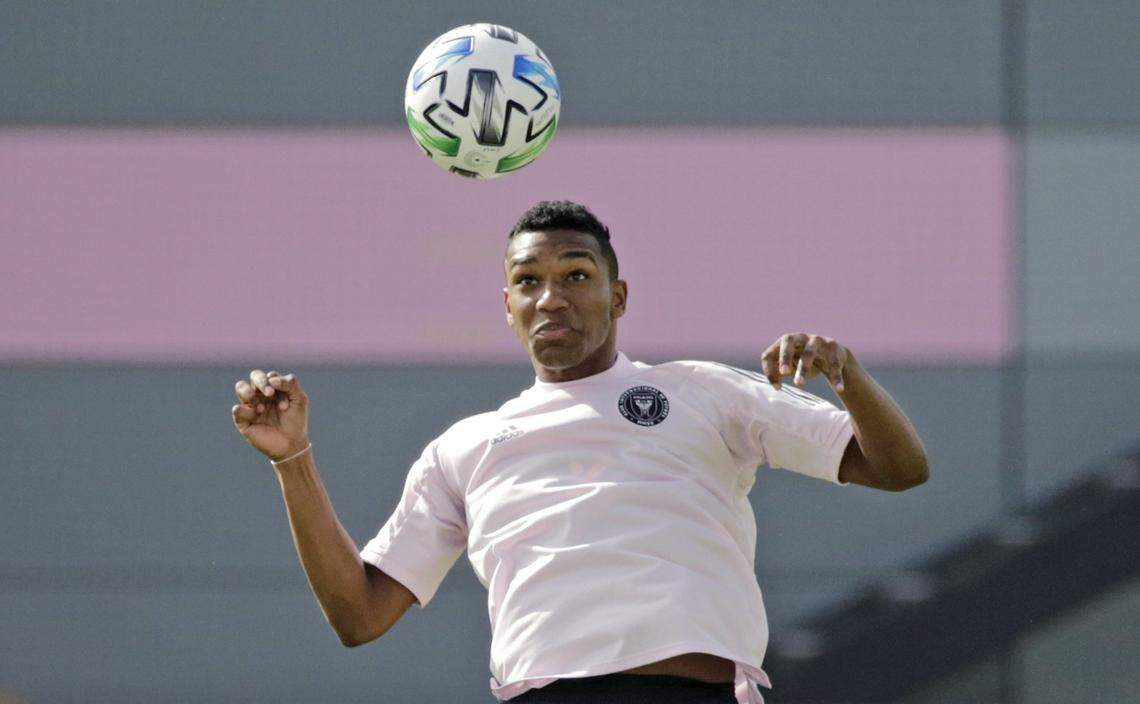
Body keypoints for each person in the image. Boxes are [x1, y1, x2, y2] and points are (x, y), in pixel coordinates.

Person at [231, 200, 929, 704]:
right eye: (529, 282)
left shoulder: (702, 391)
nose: (550, 298)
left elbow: (899, 469)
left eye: (576, 276)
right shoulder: (464, 448)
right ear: (506, 305)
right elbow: (359, 616)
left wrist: (847, 374)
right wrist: (293, 460)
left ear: (617, 296)